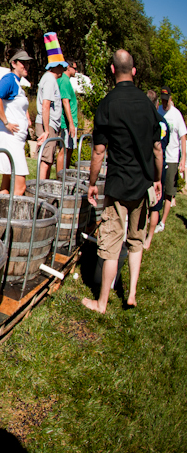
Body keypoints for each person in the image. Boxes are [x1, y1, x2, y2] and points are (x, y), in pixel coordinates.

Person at [81, 51, 162, 313]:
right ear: (134, 71)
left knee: (111, 245)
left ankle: (102, 302)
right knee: (135, 241)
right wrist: (158, 179)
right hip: (142, 185)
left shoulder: (107, 103)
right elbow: (157, 148)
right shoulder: (149, 105)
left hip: (117, 185)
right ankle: (132, 293)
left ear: (113, 70)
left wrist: (92, 182)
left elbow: (99, 151)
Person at [0, 49, 33, 195]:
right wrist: (6, 122)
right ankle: (12, 217)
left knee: (5, 186)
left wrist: (26, 117)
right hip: (10, 139)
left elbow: (14, 104)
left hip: (15, 139)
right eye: (22, 63)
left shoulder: (17, 83)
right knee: (20, 187)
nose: (26, 66)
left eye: (28, 63)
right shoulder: (9, 79)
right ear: (13, 63)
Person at [155, 85, 186, 233]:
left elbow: (183, 137)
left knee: (169, 190)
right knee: (156, 186)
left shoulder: (176, 115)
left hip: (172, 157)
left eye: (167, 100)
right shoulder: (158, 110)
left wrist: (183, 159)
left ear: (171, 99)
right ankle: (153, 213)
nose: (164, 102)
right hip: (158, 155)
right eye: (162, 100)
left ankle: (162, 222)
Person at [35, 32, 65, 181]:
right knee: (45, 160)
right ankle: (40, 191)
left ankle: (43, 188)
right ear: (55, 66)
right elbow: (46, 105)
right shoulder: (49, 80)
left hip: (51, 125)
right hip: (48, 125)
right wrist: (47, 130)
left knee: (48, 160)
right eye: (62, 66)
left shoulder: (51, 80)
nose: (63, 70)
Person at [144, 90, 170, 250]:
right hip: (160, 167)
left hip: (148, 166)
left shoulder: (145, 120)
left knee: (145, 203)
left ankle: (140, 236)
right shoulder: (163, 122)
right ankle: (148, 239)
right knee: (155, 205)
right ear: (157, 104)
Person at [56, 59, 79, 173]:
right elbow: (65, 101)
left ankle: (65, 175)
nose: (76, 71)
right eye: (74, 68)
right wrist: (71, 123)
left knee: (69, 150)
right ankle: (61, 178)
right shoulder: (64, 81)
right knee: (64, 150)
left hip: (71, 122)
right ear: (68, 67)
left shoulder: (66, 80)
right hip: (67, 123)